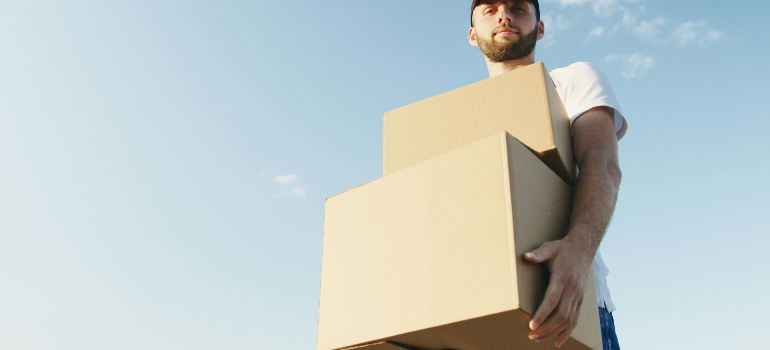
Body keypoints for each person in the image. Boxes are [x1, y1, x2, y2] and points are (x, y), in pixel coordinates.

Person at [468, 1, 626, 349]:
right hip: (482, 318)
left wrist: (580, 247)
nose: (504, 15)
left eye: (518, 7)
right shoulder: (463, 119)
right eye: (490, 9)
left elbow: (602, 162)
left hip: (570, 309)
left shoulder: (572, 80)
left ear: (540, 28)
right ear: (472, 35)